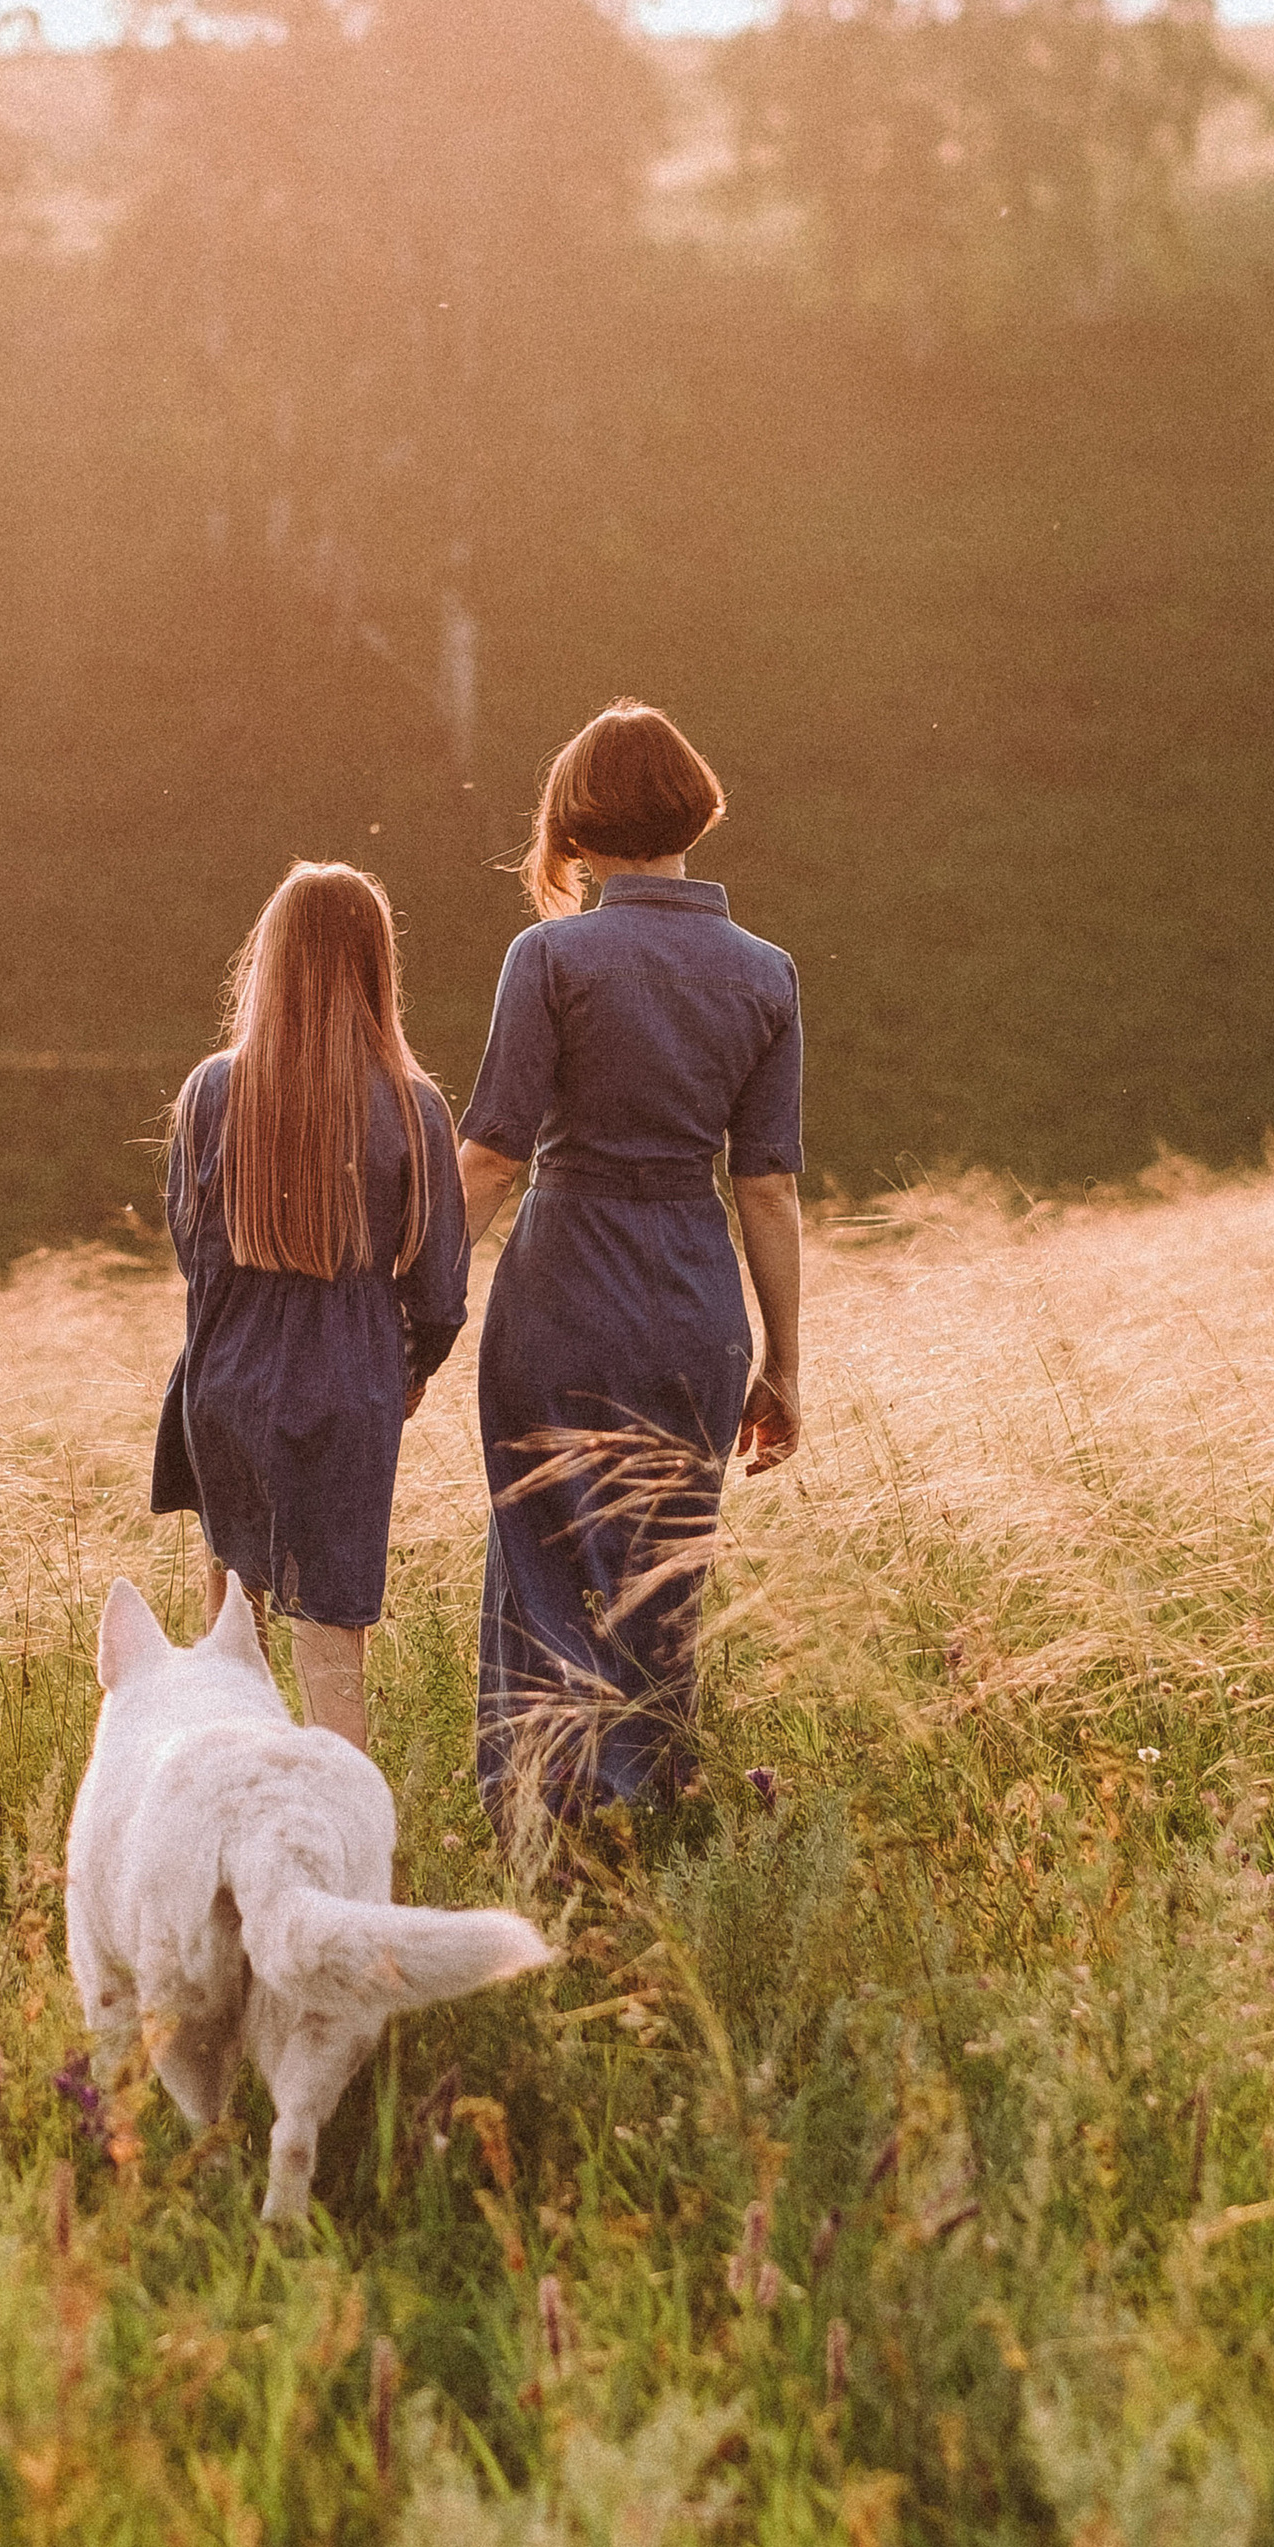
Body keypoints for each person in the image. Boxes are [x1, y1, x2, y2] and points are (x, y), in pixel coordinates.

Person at [456, 701, 802, 1830]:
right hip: (696, 1303)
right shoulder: (767, 974)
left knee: (544, 1555)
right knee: (664, 1578)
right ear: (690, 812)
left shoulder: (551, 956)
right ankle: (651, 1815)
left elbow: (497, 1152)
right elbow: (767, 1184)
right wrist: (781, 1362)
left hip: (562, 1288)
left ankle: (544, 1824)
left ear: (580, 826)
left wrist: (410, 1296)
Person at [152, 862, 470, 1749]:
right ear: (377, 964)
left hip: (228, 1382)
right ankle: (344, 1858)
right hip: (349, 1388)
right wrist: (403, 1371)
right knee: (333, 1660)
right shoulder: (414, 1105)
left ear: (270, 958)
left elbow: (195, 1252)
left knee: (230, 1654)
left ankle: (226, 1857)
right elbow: (441, 1292)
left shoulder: (213, 1090)